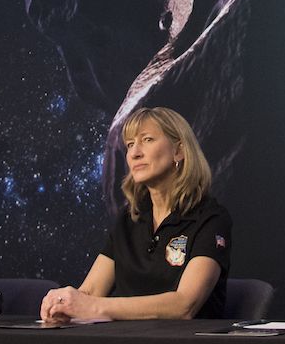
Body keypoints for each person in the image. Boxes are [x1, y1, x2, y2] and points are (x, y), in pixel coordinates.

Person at [40, 107, 231, 322]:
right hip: (126, 336)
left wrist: (96, 307)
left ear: (179, 151)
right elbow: (91, 292)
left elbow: (184, 305)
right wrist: (63, 305)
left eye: (147, 140)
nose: (134, 153)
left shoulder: (210, 219)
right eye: (130, 144)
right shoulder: (128, 219)